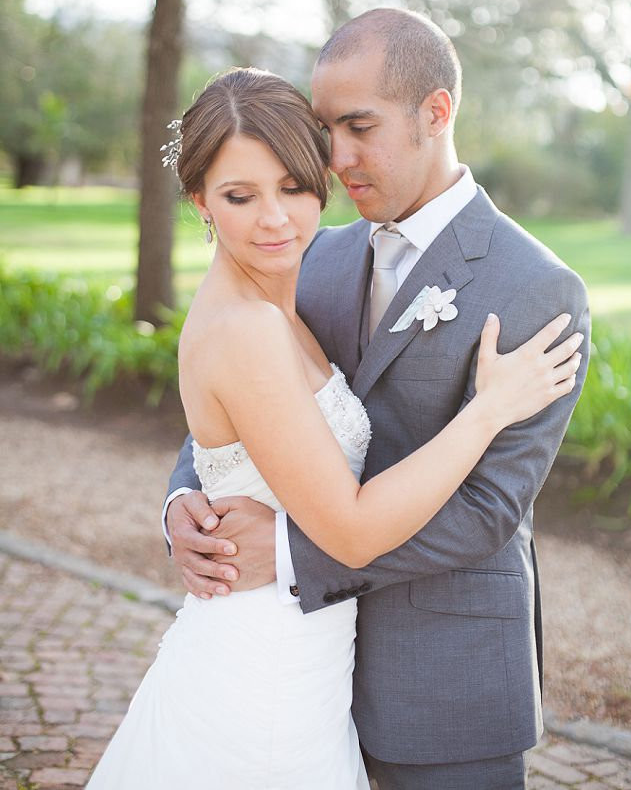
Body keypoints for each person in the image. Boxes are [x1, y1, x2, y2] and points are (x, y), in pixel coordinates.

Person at [88, 61, 583, 790]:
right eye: (331, 134)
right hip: (272, 671)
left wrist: (288, 549)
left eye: (358, 129)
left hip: (439, 677)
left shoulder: (534, 283)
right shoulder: (306, 258)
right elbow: (230, 424)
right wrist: (183, 504)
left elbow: (490, 509)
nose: (278, 213)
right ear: (201, 200)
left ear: (435, 112)